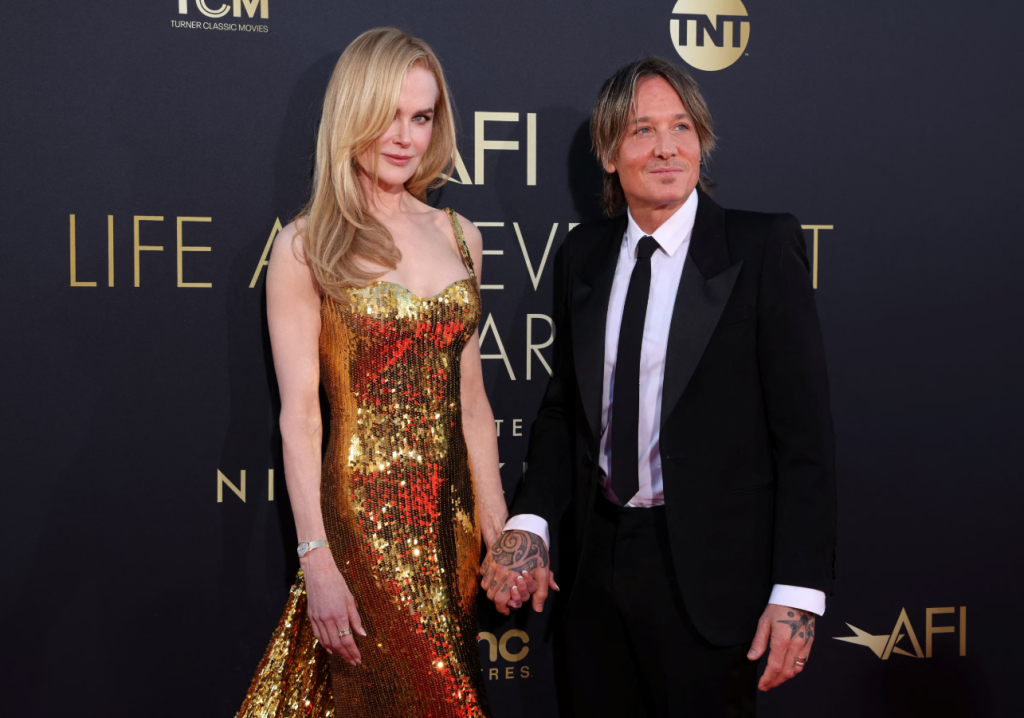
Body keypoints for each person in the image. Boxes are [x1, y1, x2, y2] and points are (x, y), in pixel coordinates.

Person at [480, 57, 837, 716]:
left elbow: (805, 439)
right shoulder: (583, 254)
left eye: (682, 127)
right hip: (592, 570)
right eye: (643, 130)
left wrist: (798, 592)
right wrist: (530, 522)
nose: (668, 147)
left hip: (709, 582)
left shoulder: (759, 247)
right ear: (609, 154)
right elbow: (565, 412)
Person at [238, 28, 519, 718]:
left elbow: (472, 402)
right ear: (351, 113)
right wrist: (316, 558)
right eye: (388, 115)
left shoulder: (461, 236)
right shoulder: (307, 245)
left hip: (449, 527)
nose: (404, 137)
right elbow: (301, 417)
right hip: (362, 525)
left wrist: (499, 528)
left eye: (421, 117)